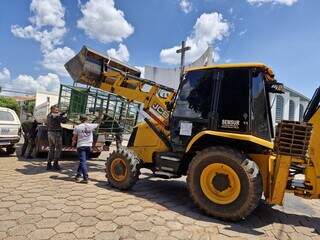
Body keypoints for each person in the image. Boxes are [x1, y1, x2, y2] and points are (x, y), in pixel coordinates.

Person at [72, 114, 99, 183]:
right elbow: (99, 124)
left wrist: (73, 143)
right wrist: (97, 117)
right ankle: (78, 176)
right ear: (87, 119)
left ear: (80, 120)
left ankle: (85, 178)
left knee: (83, 162)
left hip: (81, 146)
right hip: (88, 146)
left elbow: (74, 137)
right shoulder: (91, 126)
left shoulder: (77, 127)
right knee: (83, 161)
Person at [46, 105, 67, 171]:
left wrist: (61, 113)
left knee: (51, 149)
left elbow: (58, 115)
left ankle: (49, 164)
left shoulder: (49, 115)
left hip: (50, 133)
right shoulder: (55, 115)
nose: (57, 111)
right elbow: (64, 121)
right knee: (58, 149)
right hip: (56, 133)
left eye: (58, 110)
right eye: (56, 110)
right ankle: (55, 164)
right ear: (52, 110)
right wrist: (65, 115)